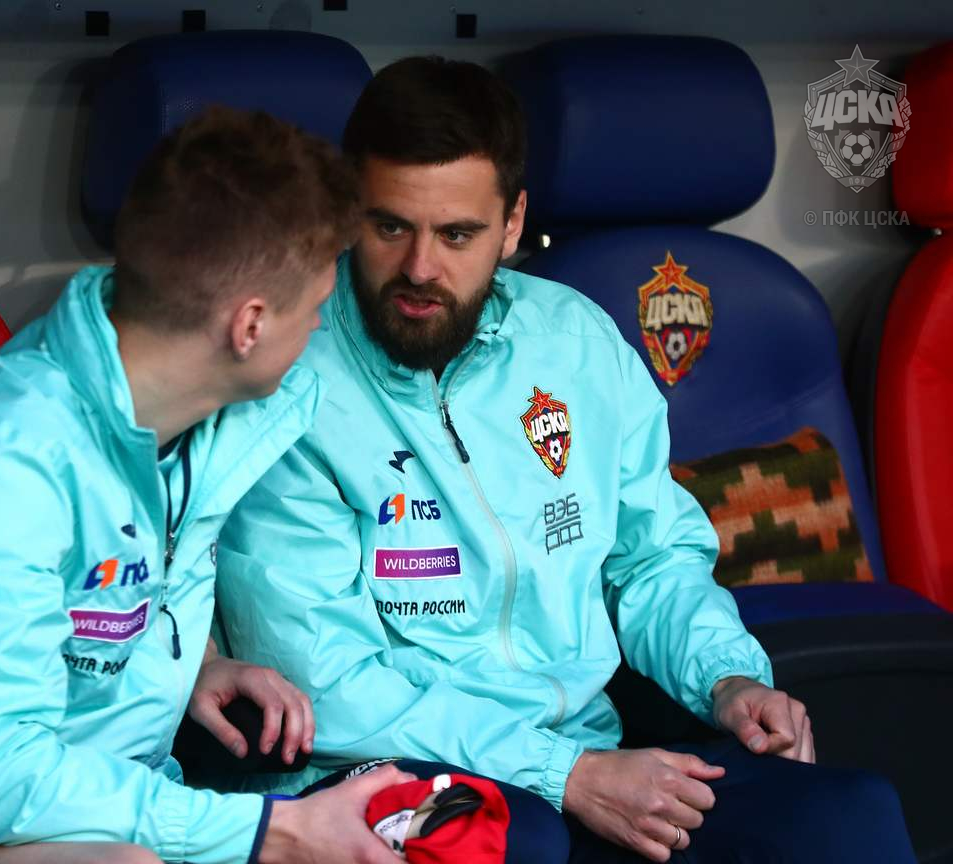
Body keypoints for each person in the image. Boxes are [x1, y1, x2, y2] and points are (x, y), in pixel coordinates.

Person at [215, 58, 917, 863]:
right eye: (390, 227)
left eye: (457, 234)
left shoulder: (574, 342)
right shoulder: (289, 378)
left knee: (847, 818)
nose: (420, 268)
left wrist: (728, 680)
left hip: (590, 749)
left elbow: (652, 557)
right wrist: (565, 776)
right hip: (381, 774)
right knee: (524, 842)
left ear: (512, 223)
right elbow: (326, 684)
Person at [0, 105, 413, 864]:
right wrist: (276, 832)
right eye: (316, 308)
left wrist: (195, 666)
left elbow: (120, 586)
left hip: (116, 794)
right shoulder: (6, 458)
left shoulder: (204, 414)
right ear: (250, 326)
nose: (320, 330)